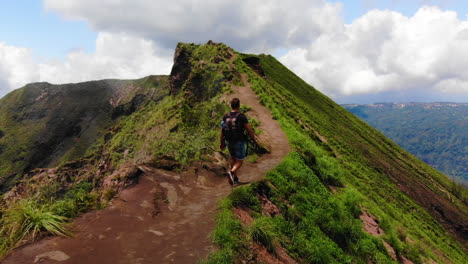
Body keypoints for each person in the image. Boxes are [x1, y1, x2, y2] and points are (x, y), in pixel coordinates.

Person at [220, 98, 257, 185]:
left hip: (229, 141)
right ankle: (232, 172)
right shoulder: (241, 116)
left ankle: (235, 179)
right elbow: (249, 129)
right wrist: (254, 140)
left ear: (231, 106)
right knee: (240, 161)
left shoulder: (225, 116)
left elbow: (222, 131)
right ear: (239, 106)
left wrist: (221, 143)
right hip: (239, 141)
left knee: (233, 159)